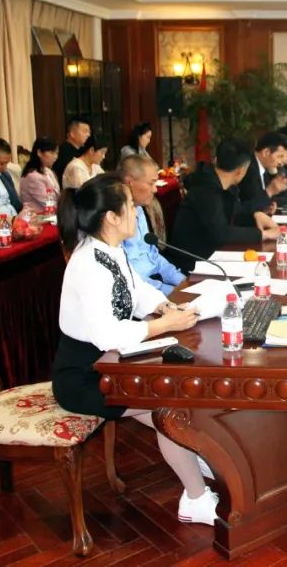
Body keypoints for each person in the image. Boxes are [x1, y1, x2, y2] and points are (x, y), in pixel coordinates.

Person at [52, 173, 218, 527]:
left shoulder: (109, 250)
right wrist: (164, 325)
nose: (136, 211)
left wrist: (164, 307)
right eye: (129, 206)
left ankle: (193, 458)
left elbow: (136, 289)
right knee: (167, 403)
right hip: (86, 376)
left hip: (113, 364)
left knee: (175, 396)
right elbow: (108, 335)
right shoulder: (88, 265)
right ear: (111, 217)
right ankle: (195, 499)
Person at [167, 139, 280, 272]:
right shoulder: (205, 189)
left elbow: (234, 212)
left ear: (216, 160)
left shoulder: (221, 184)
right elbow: (221, 233)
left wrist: (255, 215)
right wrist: (264, 235)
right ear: (241, 170)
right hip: (193, 262)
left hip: (212, 254)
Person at [119, 155, 186, 295]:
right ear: (130, 182)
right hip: (139, 293)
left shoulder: (138, 208)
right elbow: (129, 278)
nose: (155, 190)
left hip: (155, 283)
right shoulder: (115, 221)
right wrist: (170, 292)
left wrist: (182, 281)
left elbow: (152, 255)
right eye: (151, 183)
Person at [238, 131, 287, 213]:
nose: (280, 162)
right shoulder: (249, 169)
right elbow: (249, 205)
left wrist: (266, 208)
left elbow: (262, 201)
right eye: (279, 156)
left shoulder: (264, 168)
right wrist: (270, 191)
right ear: (266, 153)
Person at [20, 137, 62, 213]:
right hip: (36, 216)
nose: (55, 157)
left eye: (56, 153)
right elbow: (48, 203)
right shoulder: (32, 177)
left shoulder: (48, 171)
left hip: (50, 214)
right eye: (51, 152)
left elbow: (57, 196)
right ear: (39, 152)